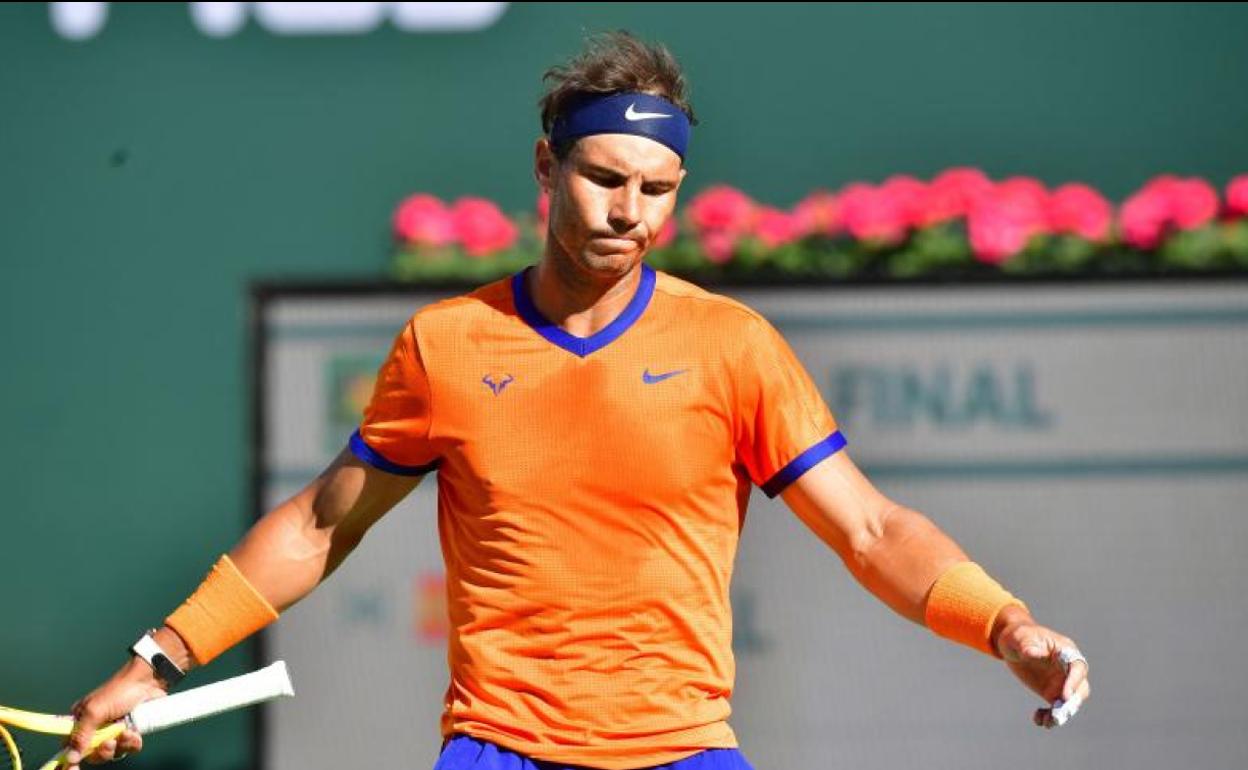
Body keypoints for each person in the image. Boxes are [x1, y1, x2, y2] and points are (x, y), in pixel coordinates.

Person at [64, 31, 1090, 770]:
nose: (628, 211)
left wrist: (1005, 624)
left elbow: (871, 529)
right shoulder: (446, 343)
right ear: (546, 168)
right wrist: (157, 659)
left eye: (658, 188)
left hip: (685, 748)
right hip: (497, 745)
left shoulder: (732, 345)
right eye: (604, 178)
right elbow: (319, 525)